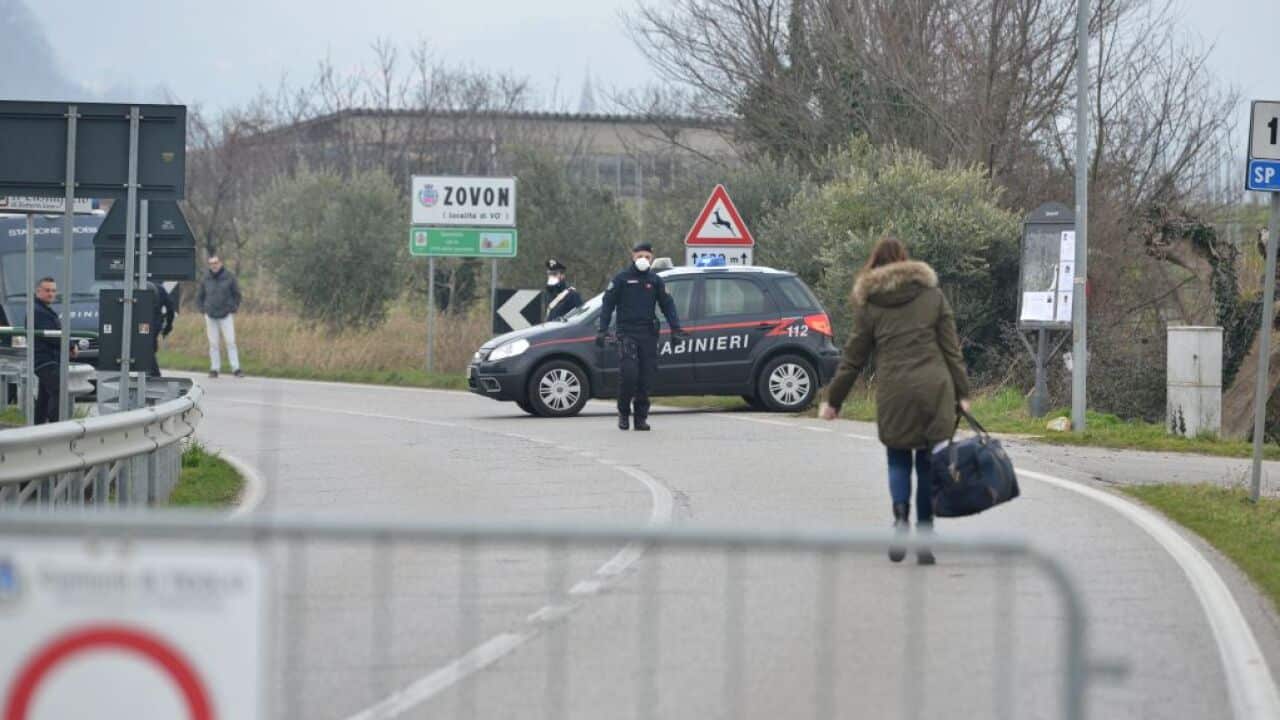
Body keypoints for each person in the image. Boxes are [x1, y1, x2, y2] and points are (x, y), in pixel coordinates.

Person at [818, 237, 971, 565]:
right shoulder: (933, 296)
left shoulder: (871, 304)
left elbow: (853, 359)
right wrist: (964, 393)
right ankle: (926, 534)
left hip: (895, 391)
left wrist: (834, 400)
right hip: (934, 389)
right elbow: (951, 350)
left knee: (898, 459)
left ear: (876, 265)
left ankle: (901, 522)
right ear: (906, 261)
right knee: (929, 463)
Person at [597, 242, 686, 431]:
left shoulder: (655, 281)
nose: (643, 259)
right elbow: (607, 304)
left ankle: (640, 418)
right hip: (626, 334)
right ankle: (623, 412)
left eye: (647, 256)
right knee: (629, 375)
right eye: (640, 256)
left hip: (648, 334)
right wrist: (602, 330)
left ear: (652, 258)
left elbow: (668, 305)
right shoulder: (621, 279)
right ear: (632, 256)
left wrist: (675, 329)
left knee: (646, 377)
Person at [32, 277, 76, 424]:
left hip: (48, 359)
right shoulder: (38, 311)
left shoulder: (43, 309)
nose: (51, 294)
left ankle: (37, 428)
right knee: (59, 389)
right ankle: (55, 425)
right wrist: (70, 345)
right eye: (47, 290)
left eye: (53, 291)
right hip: (45, 360)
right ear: (38, 291)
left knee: (44, 397)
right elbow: (53, 335)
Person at [196, 254, 243, 378]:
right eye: (211, 263)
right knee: (213, 344)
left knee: (231, 342)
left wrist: (233, 308)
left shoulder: (229, 277)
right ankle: (214, 369)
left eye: (216, 263)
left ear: (221, 263)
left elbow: (237, 294)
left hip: (226, 315)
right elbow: (200, 296)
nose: (214, 265)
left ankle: (236, 368)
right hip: (210, 315)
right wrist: (203, 310)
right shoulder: (206, 278)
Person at [146, 281, 176, 377]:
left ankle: (154, 374)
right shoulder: (159, 288)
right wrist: (168, 325)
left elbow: (170, 307)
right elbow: (170, 307)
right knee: (150, 347)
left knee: (148, 347)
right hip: (155, 323)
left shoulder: (132, 285)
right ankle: (153, 373)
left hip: (144, 322)